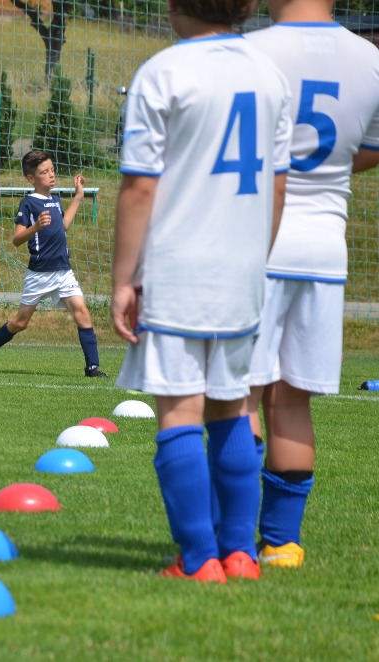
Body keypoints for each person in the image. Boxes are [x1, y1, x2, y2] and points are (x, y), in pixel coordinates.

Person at [111, 0, 293, 582]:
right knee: (234, 406)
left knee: (180, 409)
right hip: (243, 270)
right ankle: (240, 554)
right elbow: (278, 186)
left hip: (178, 269)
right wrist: (255, 258)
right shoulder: (270, 74)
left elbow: (140, 187)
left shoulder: (162, 72)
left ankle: (198, 560)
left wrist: (123, 279)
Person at [244, 0, 379, 569]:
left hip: (256, 240)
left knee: (240, 396)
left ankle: (234, 540)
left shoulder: (249, 51)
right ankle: (282, 544)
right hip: (325, 248)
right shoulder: (369, 58)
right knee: (293, 399)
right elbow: (367, 150)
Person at [0, 150, 107, 378]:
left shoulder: (55, 200)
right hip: (39, 274)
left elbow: (63, 226)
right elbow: (16, 239)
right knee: (20, 323)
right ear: (31, 178)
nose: (51, 175)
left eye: (52, 170)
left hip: (63, 271)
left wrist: (78, 197)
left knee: (82, 312)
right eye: (44, 172)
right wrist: (36, 227)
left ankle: (92, 368)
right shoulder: (28, 203)